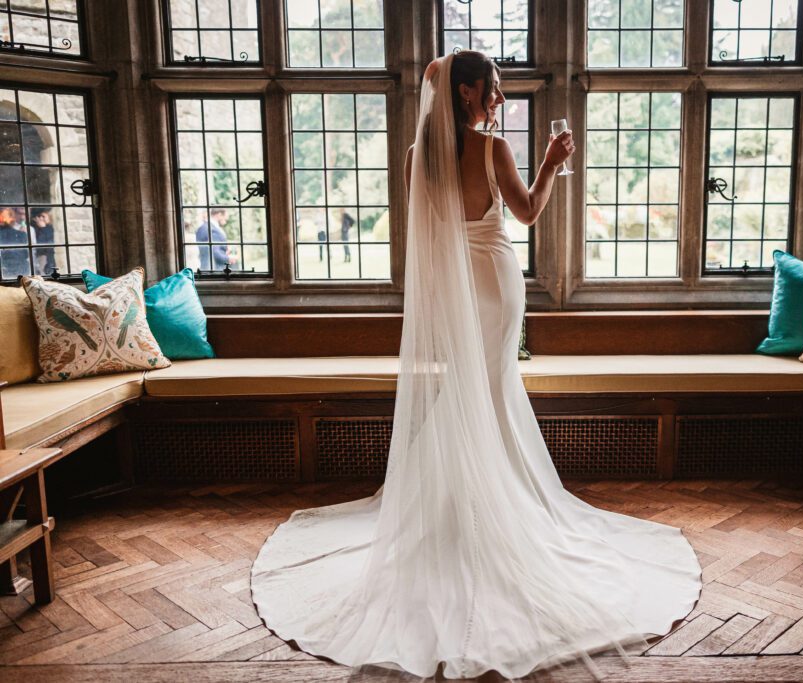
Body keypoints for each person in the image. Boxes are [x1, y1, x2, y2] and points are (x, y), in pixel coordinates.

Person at [250, 52, 701, 679]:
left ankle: (455, 509)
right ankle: (489, 513)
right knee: (490, 389)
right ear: (466, 93)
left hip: (459, 285)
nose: (499, 99)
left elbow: (427, 235)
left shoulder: (415, 159)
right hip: (495, 276)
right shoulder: (494, 151)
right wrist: (551, 164)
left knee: (474, 389)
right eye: (492, 89)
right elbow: (527, 213)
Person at [0, 207, 31, 279]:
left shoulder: (21, 233)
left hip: (14, 270)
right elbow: (25, 254)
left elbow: (25, 254)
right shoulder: (21, 234)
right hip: (17, 271)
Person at [30, 208, 56, 275]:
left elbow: (46, 244)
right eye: (39, 216)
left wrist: (43, 228)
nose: (41, 218)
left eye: (43, 216)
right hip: (40, 259)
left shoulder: (49, 228)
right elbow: (39, 245)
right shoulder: (36, 228)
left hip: (48, 260)